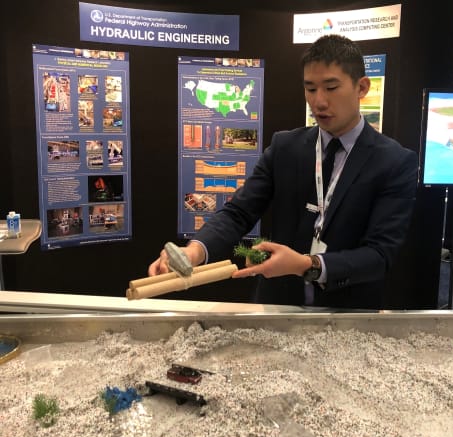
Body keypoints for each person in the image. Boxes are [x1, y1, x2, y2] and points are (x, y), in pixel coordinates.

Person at [149, 34, 418, 309]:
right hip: (278, 308)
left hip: (347, 314)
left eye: (331, 87)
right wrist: (194, 251)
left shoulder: (394, 162)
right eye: (310, 89)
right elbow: (238, 212)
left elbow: (379, 254)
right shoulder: (286, 147)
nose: (319, 101)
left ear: (361, 87)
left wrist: (307, 265)